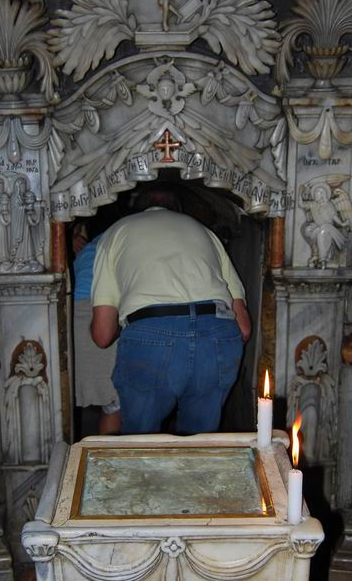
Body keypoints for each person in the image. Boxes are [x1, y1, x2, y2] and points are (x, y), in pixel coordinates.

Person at [90, 185, 251, 435]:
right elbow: (243, 327)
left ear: (135, 207)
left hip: (151, 336)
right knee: (199, 445)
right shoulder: (206, 233)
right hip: (218, 334)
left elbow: (102, 334)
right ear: (178, 210)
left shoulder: (116, 233)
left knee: (141, 446)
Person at [72, 212, 122, 435]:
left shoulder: (85, 251)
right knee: (114, 403)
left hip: (73, 312)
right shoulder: (123, 239)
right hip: (105, 312)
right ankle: (105, 460)